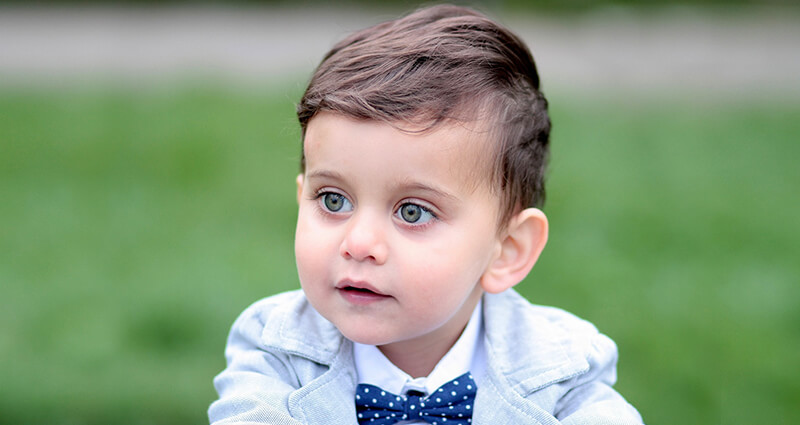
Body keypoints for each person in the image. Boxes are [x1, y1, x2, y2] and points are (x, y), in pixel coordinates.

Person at [208, 4, 643, 424]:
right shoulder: (275, 351)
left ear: (507, 250)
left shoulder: (561, 372)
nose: (359, 244)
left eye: (413, 212)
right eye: (333, 200)